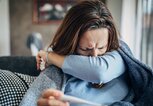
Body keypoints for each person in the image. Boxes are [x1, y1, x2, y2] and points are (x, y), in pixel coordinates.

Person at [20, 0, 153, 106]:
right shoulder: (55, 73)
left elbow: (99, 71)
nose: (95, 55)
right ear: (71, 44)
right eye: (86, 49)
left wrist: (49, 56)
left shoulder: (118, 55)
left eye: (101, 47)